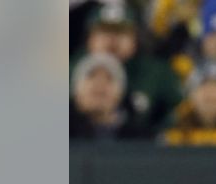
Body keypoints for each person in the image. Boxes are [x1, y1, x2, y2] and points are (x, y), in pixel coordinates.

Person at [75, 2, 184, 137]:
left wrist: (155, 134)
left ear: (135, 39)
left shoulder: (156, 71)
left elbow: (181, 113)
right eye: (104, 31)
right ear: (90, 38)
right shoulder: (69, 68)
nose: (112, 40)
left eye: (120, 32)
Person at [70, 52, 148, 141]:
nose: (100, 83)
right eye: (91, 76)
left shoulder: (139, 138)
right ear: (76, 90)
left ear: (120, 93)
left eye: (109, 78)